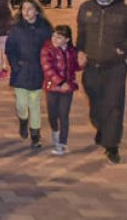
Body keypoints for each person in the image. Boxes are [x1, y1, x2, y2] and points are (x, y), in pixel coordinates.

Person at [77, 0, 127, 165]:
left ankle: (112, 145)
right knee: (96, 105)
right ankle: (102, 127)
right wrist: (79, 51)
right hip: (91, 67)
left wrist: (122, 48)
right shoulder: (86, 8)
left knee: (114, 106)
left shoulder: (126, 12)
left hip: (115, 67)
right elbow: (81, 34)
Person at [5, 0, 53, 148]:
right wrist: (15, 66)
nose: (26, 12)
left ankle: (35, 134)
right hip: (21, 71)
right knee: (21, 104)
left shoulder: (45, 29)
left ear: (37, 11)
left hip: (38, 70)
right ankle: (23, 120)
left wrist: (47, 67)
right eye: (24, 8)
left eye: (30, 9)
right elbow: (10, 49)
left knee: (34, 103)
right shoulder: (16, 28)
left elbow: (51, 50)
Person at [41, 24, 79, 156]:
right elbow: (47, 68)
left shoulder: (72, 51)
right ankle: (55, 132)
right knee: (52, 115)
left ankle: (62, 143)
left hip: (67, 88)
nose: (55, 39)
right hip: (52, 87)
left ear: (67, 39)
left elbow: (76, 66)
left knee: (64, 115)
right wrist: (60, 82)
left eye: (59, 37)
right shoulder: (47, 50)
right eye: (54, 36)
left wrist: (82, 62)